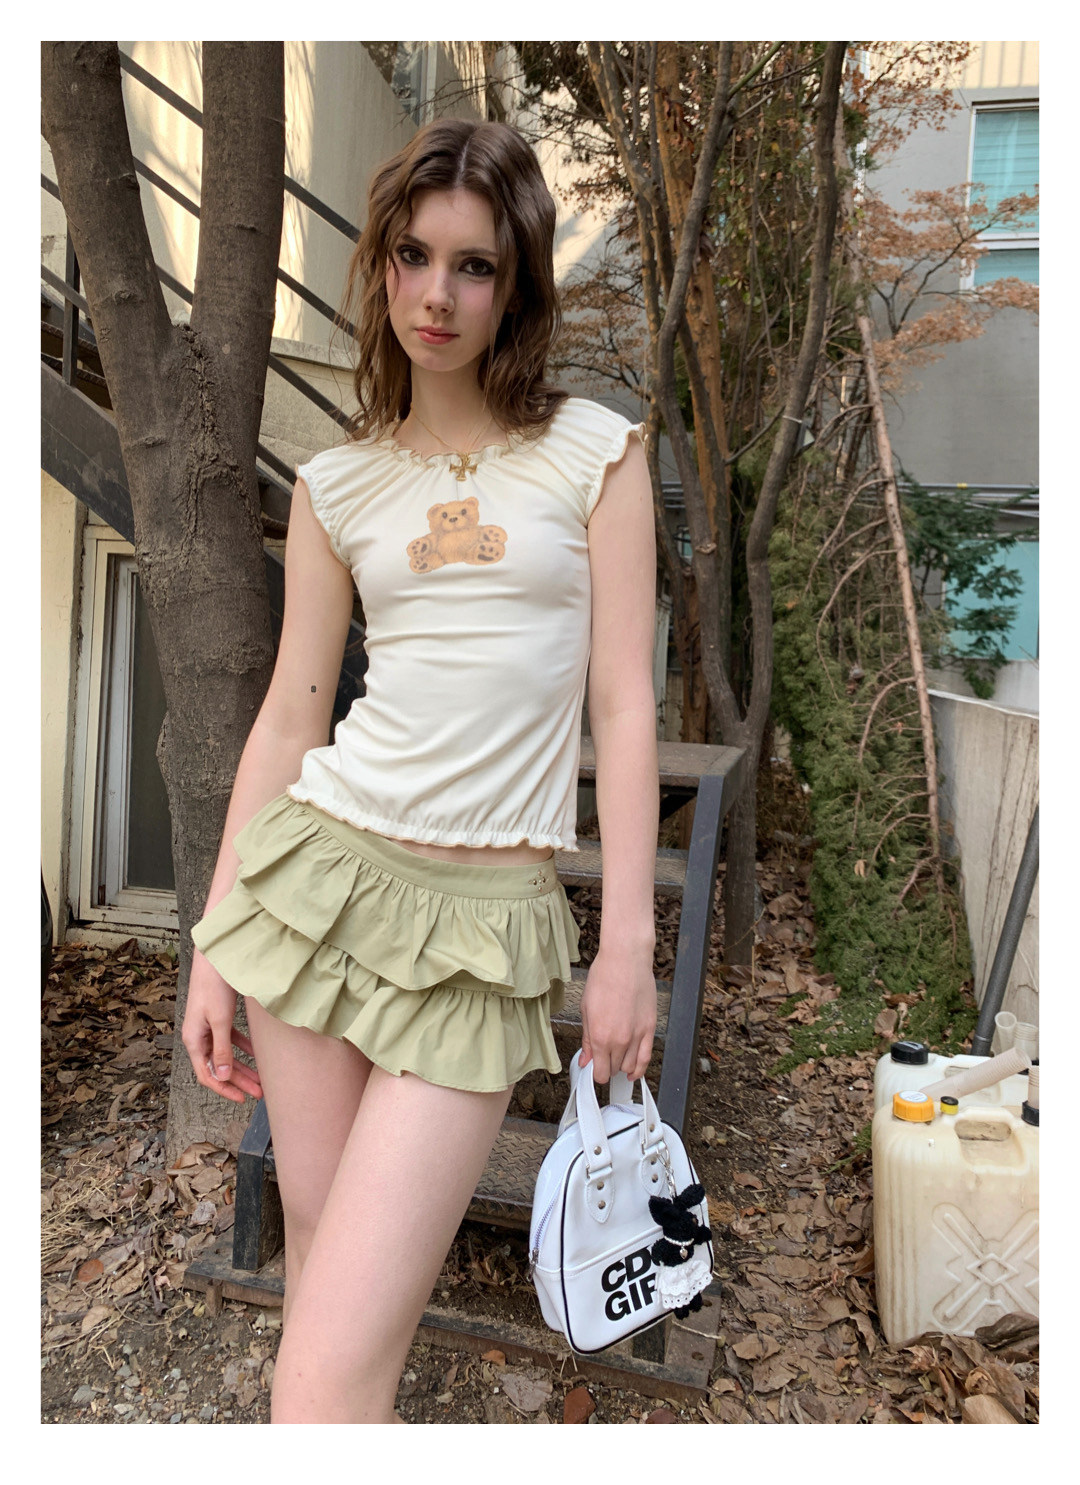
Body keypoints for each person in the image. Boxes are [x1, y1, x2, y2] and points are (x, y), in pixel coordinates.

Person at [183, 117, 659, 1425]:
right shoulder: (336, 483)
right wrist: (214, 945)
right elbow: (291, 719)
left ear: (518, 285)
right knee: (336, 1320)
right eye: (412, 256)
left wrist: (626, 941)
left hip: (483, 927)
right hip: (319, 889)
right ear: (382, 265)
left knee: (321, 1370)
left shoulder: (597, 455)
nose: (435, 294)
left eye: (474, 265)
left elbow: (623, 702)